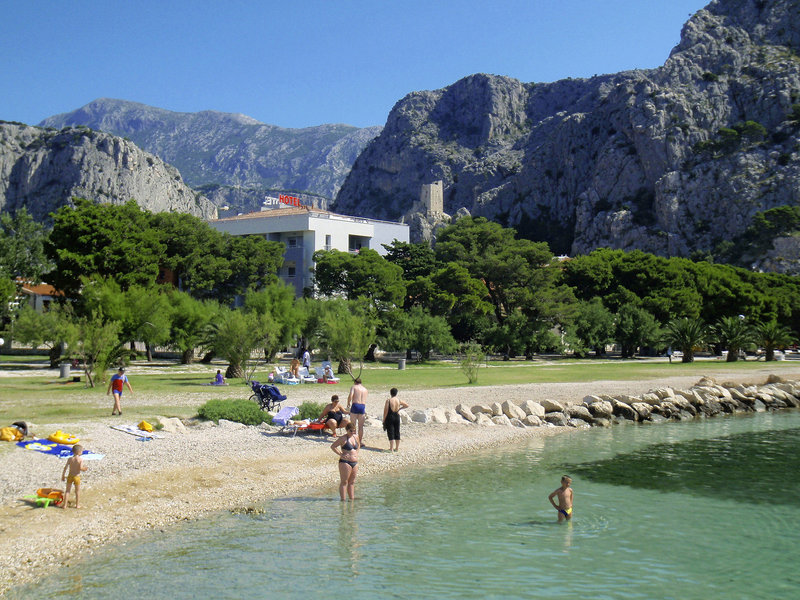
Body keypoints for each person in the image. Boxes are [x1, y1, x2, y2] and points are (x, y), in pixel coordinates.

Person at [331, 422, 360, 501]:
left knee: (352, 482)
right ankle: (343, 501)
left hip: (355, 462)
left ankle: (352, 500)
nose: (353, 432)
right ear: (346, 430)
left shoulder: (356, 437)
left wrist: (356, 453)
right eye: (351, 431)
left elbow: (359, 445)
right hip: (345, 462)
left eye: (354, 431)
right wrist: (340, 454)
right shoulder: (342, 438)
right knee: (344, 482)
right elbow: (333, 446)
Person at [61, 444, 88, 509]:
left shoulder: (70, 459)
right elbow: (80, 468)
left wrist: (63, 475)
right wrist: (85, 469)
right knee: (77, 491)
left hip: (70, 476)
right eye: (81, 451)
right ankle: (77, 505)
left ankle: (65, 505)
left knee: (67, 491)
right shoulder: (80, 459)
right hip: (77, 477)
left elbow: (65, 467)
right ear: (79, 452)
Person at [382, 387, 409, 452]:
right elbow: (406, 405)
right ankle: (397, 448)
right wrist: (399, 409)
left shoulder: (388, 400)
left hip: (390, 416)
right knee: (397, 431)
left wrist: (384, 419)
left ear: (390, 393)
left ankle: (391, 448)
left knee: (390, 431)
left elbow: (385, 411)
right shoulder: (398, 400)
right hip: (397, 416)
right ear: (396, 393)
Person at [347, 377, 368, 446]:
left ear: (355, 382)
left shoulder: (354, 387)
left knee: (353, 425)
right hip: (362, 406)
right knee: (360, 426)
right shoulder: (365, 389)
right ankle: (360, 441)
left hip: (355, 405)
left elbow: (351, 395)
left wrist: (348, 402)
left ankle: (353, 440)